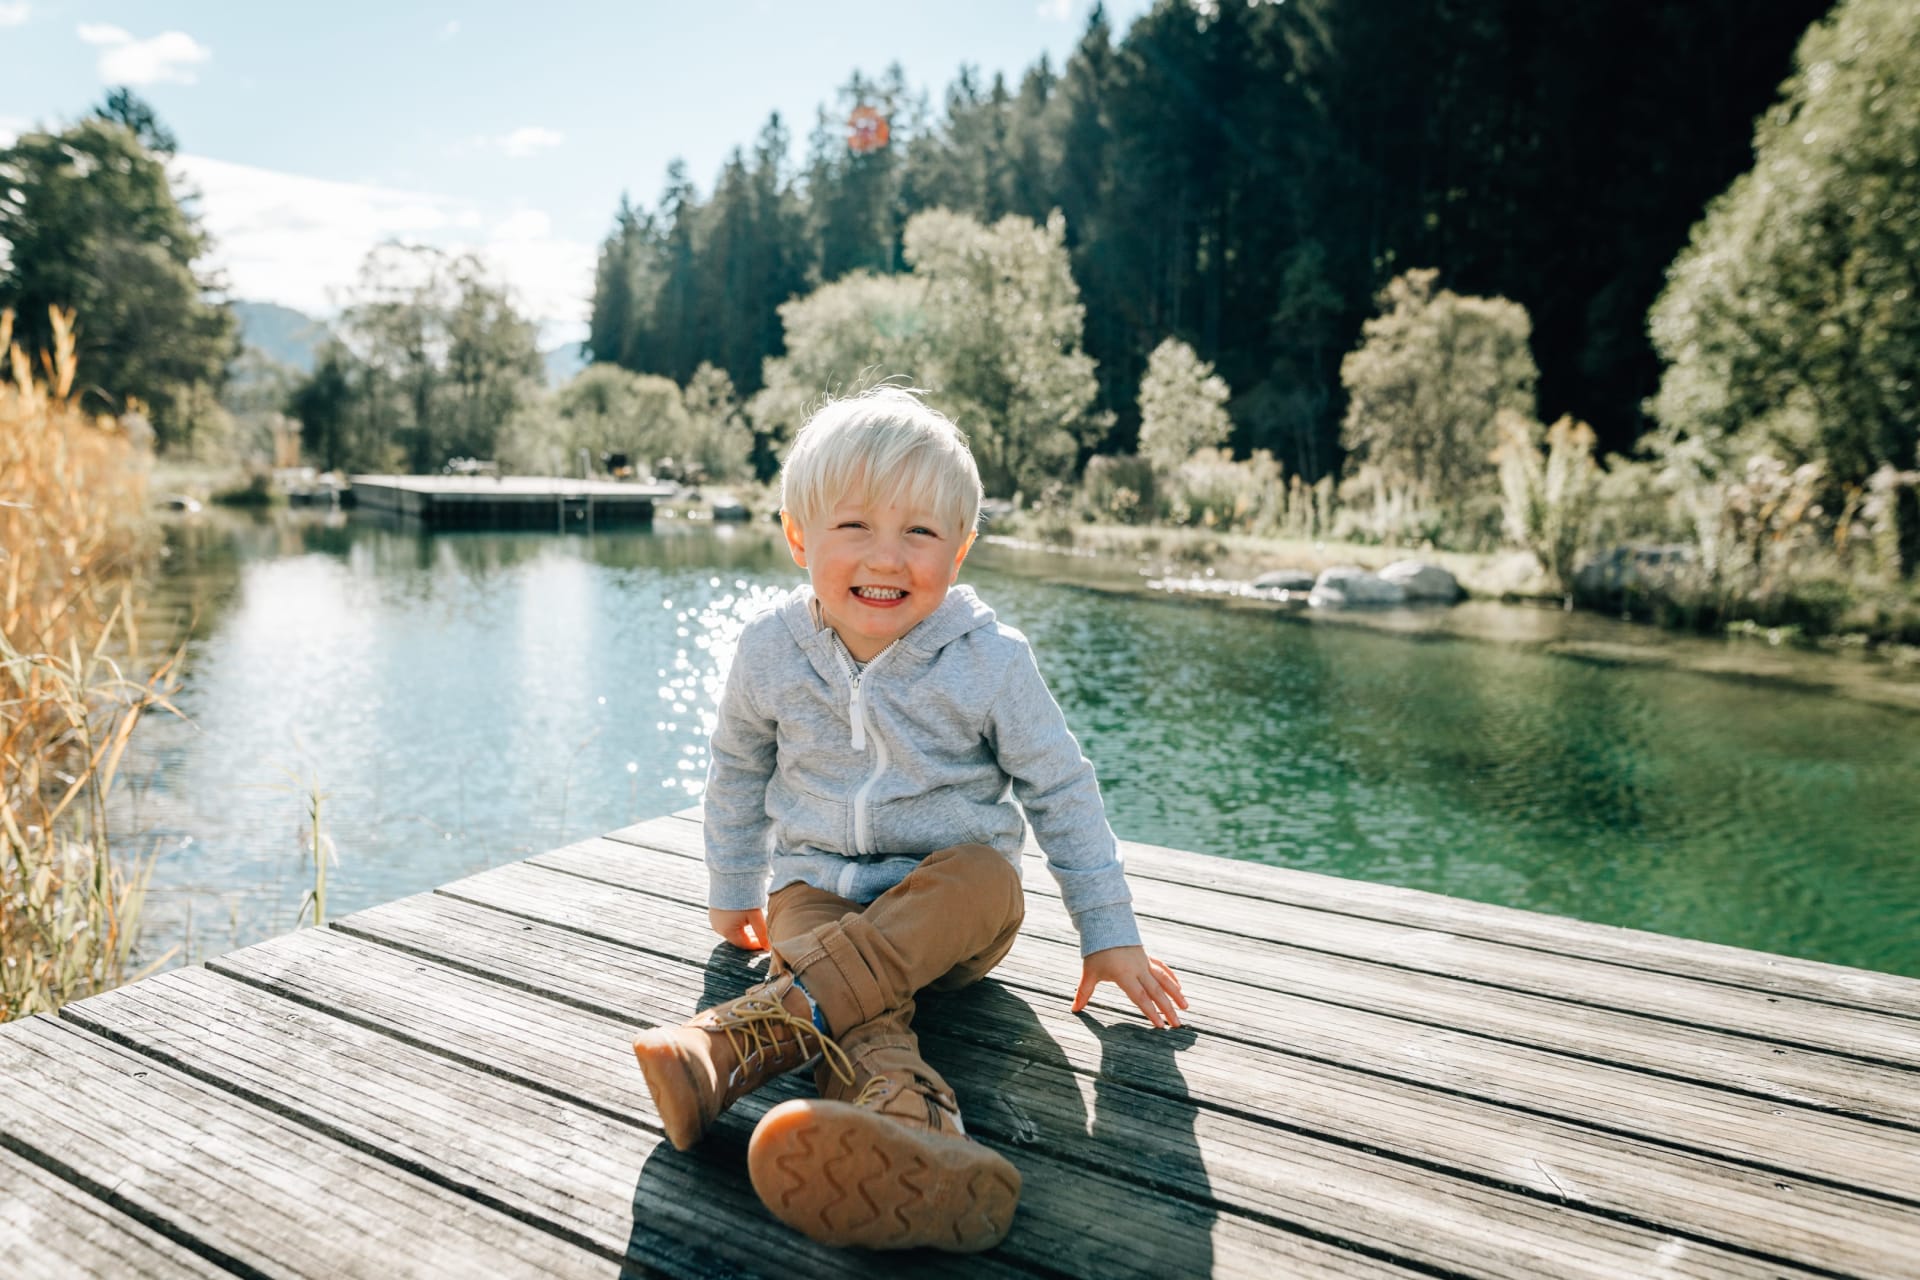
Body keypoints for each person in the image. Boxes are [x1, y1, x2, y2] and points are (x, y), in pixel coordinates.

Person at [633, 386, 1187, 1253]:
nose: (886, 556)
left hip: (955, 913)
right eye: (854, 526)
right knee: (855, 996)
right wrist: (734, 885)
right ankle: (916, 1130)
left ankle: (744, 1039)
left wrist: (1108, 932)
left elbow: (1062, 789)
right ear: (799, 538)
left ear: (960, 549)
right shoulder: (769, 651)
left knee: (982, 875)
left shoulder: (990, 662)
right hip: (818, 894)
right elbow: (737, 768)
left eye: (920, 532)